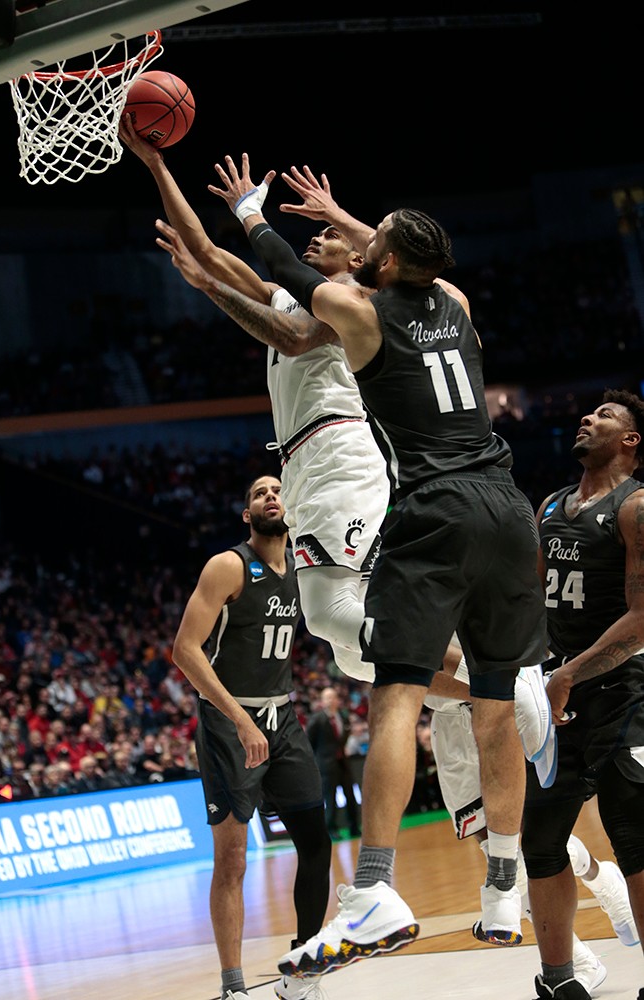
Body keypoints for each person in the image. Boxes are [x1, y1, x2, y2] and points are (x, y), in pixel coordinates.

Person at [172, 155, 550, 981]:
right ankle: (499, 887)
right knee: (458, 692)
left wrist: (249, 213)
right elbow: (399, 258)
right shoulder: (451, 301)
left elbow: (272, 276)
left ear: (372, 266)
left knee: (391, 688)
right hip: (503, 497)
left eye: (356, 241)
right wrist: (344, 215)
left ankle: (374, 886)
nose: (337, 243)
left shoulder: (348, 311)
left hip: (409, 491)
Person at [119, 118, 389, 684]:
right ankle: (463, 696)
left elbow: (288, 337)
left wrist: (210, 285)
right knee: (348, 653)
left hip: (340, 451)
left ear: (358, 258)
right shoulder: (288, 294)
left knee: (334, 617)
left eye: (330, 237)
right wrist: (156, 164)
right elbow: (205, 251)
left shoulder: (356, 298)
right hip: (302, 462)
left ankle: (495, 678)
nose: (316, 237)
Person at [171, 474, 332, 1000]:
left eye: (278, 490)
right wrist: (240, 720)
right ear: (247, 515)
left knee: (316, 842)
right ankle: (233, 986)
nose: (270, 496)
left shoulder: (305, 571)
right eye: (259, 493)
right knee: (234, 859)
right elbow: (186, 650)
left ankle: (303, 968)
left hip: (283, 720)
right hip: (228, 723)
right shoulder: (229, 566)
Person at [520, 388, 644, 1000]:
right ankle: (558, 979)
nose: (585, 419)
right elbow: (538, 600)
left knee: (634, 835)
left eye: (604, 417)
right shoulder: (549, 506)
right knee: (540, 840)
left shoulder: (637, 506)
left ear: (630, 441)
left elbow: (643, 617)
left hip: (625, 690)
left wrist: (573, 671)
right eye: (586, 413)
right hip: (556, 692)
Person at [425, 647, 637, 994]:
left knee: (535, 840)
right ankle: (581, 958)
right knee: (498, 853)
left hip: (508, 706)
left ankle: (602, 881)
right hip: (451, 725)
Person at [306, 685, 361, 839]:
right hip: (326, 765)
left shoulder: (343, 716)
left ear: (337, 700)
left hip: (343, 762)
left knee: (351, 795)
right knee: (330, 798)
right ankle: (331, 829)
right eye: (327, 697)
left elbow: (344, 737)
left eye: (333, 697)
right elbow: (310, 742)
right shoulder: (317, 719)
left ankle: (354, 827)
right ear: (322, 701)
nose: (331, 700)